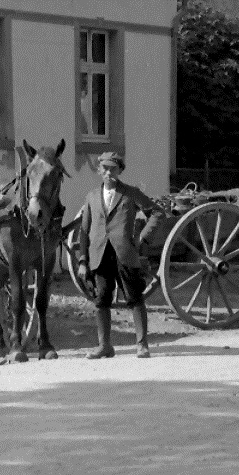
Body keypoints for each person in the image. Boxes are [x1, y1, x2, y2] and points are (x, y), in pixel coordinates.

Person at [71, 152, 159, 359]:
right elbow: (84, 231)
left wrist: (141, 239)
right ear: (99, 170)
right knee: (101, 298)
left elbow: (157, 212)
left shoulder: (130, 193)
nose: (109, 173)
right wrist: (83, 260)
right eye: (106, 169)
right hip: (99, 253)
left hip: (125, 252)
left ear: (120, 171)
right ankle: (104, 346)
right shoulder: (91, 196)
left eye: (113, 169)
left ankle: (141, 345)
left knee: (134, 296)